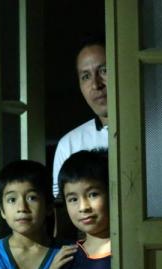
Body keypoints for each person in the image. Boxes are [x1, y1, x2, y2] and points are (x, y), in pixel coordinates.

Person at [51, 36, 110, 200]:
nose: (96, 85)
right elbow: (63, 209)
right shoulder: (69, 144)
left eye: (104, 71)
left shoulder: (153, 131)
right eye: (86, 76)